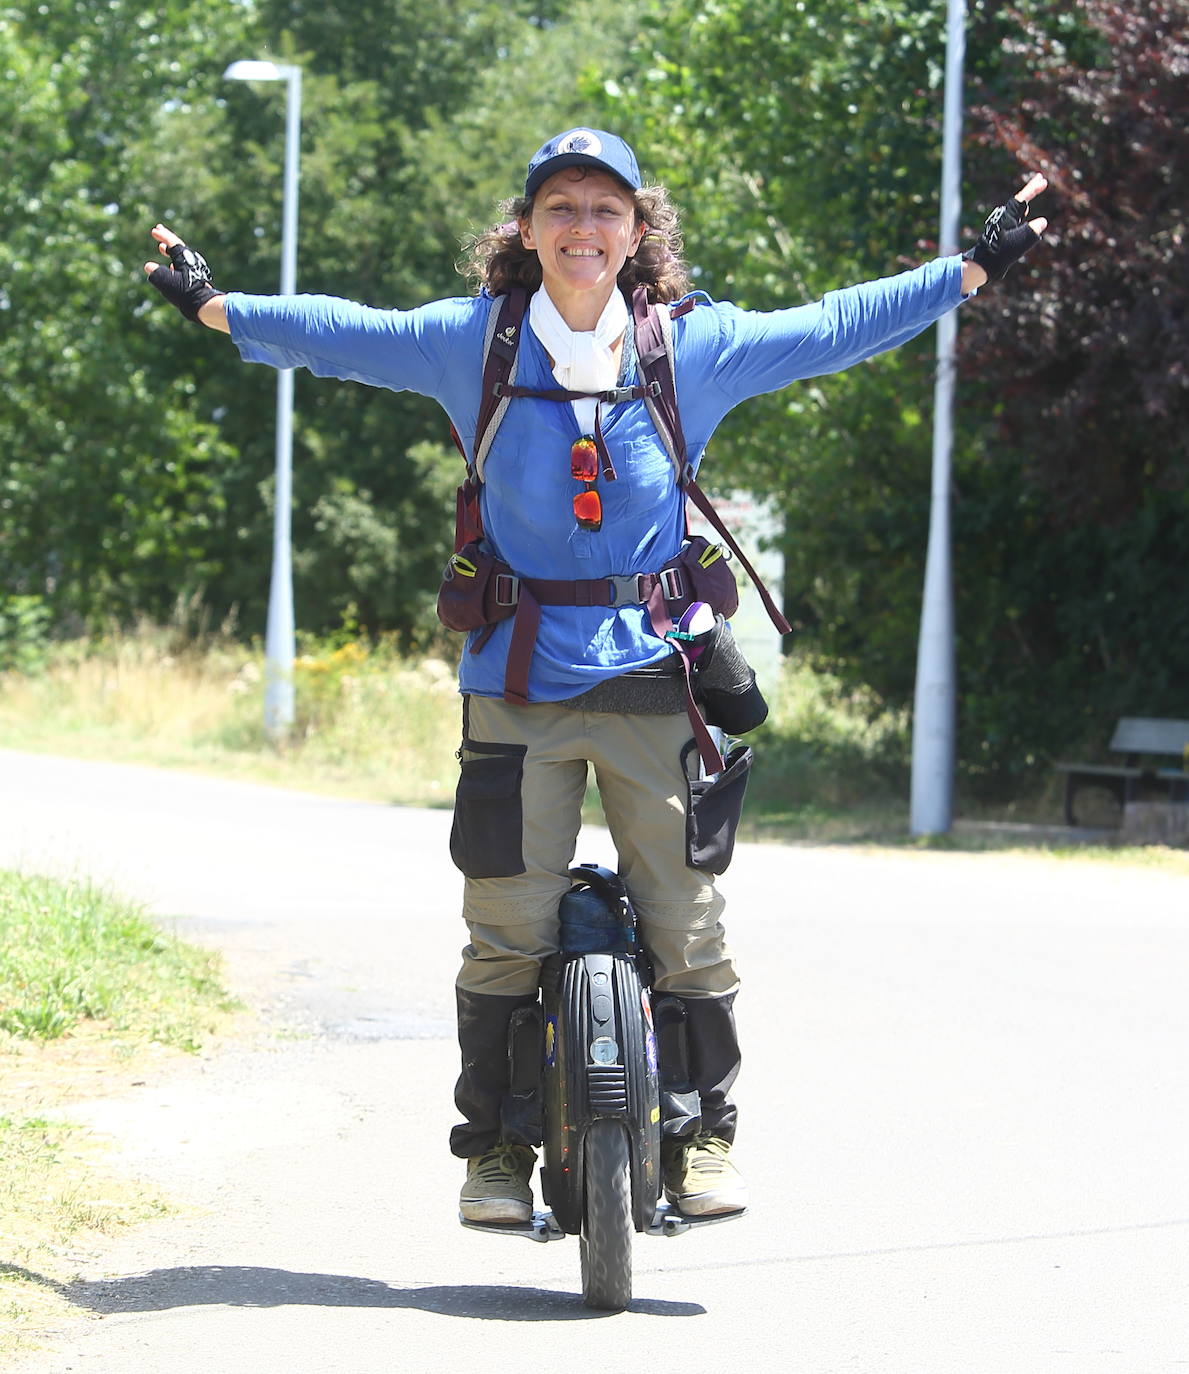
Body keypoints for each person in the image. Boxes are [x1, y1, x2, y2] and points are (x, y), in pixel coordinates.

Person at [145, 127, 1048, 1225]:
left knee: (686, 922)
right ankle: (491, 1153)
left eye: (605, 210)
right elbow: (341, 333)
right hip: (515, 680)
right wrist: (215, 308)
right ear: (526, 231)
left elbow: (831, 328)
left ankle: (703, 1139)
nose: (583, 228)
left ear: (636, 232)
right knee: (505, 926)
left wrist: (973, 269)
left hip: (651, 680)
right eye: (560, 208)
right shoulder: (471, 343)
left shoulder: (689, 348)